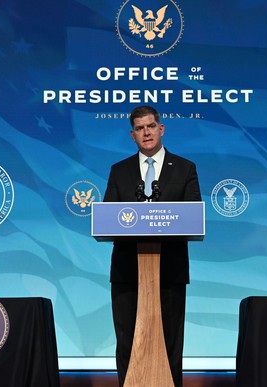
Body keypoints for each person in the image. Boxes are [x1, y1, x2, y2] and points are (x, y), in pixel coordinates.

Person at [104, 105, 201, 387]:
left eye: (150, 126)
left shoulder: (184, 168)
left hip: (169, 269)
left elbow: (193, 215)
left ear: (161, 129)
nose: (146, 132)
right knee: (127, 340)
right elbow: (109, 216)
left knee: (170, 339)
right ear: (132, 135)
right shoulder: (119, 170)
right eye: (139, 128)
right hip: (127, 271)